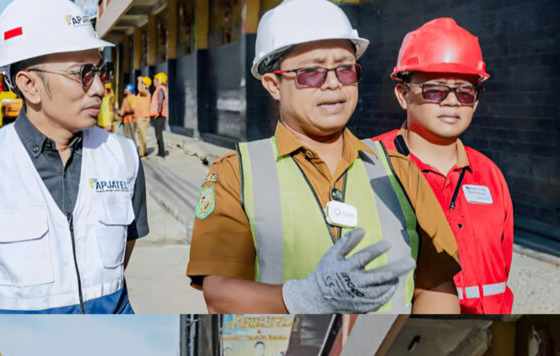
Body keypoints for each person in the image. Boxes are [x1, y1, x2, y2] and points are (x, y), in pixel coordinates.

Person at [187, 0, 461, 317]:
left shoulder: (400, 172)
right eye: (311, 73)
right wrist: (302, 298)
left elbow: (436, 288)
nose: (333, 83)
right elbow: (219, 295)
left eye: (345, 69)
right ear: (273, 84)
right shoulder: (237, 175)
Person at [0, 0, 148, 316]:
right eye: (83, 74)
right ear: (30, 85)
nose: (99, 88)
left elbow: (117, 263)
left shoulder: (123, 158)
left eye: (101, 71)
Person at [376, 19, 513, 316]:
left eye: (465, 92)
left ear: (476, 101)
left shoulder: (490, 176)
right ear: (403, 95)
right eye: (435, 90)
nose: (452, 101)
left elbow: (501, 270)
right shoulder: (370, 165)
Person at [150, 71, 168, 157]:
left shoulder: (160, 89)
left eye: (156, 80)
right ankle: (160, 152)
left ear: (160, 81)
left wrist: (158, 112)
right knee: (157, 134)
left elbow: (160, 102)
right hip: (158, 115)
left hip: (159, 116)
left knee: (159, 135)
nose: (154, 81)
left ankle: (162, 153)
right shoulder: (160, 89)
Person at [133, 76, 152, 158]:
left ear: (146, 84)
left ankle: (142, 152)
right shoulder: (141, 94)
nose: (141, 84)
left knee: (142, 135)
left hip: (143, 117)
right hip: (138, 116)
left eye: (143, 83)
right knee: (139, 135)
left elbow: (140, 89)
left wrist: (139, 81)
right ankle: (142, 150)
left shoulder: (146, 92)